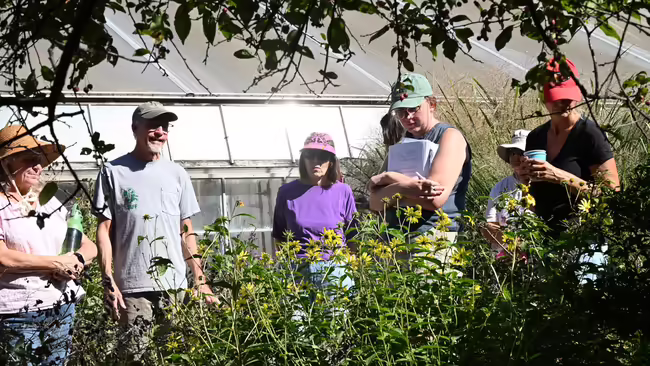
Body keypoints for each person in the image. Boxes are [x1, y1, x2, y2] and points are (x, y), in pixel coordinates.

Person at [92, 102, 217, 361]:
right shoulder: (112, 172)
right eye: (153, 126)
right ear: (135, 128)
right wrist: (108, 280)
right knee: (135, 357)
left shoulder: (177, 173)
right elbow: (103, 231)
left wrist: (201, 281)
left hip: (175, 288)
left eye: (165, 127)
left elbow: (187, 231)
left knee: (175, 357)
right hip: (132, 288)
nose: (160, 132)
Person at [0, 125, 97, 366]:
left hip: (61, 306)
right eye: (29, 159)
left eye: (40, 160)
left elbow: (88, 244)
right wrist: (55, 263)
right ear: (8, 162)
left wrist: (78, 260)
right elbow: (3, 257)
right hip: (19, 313)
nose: (38, 166)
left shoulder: (46, 201)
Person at [369, 72, 472, 243]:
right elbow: (375, 203)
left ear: (432, 104)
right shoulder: (401, 144)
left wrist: (391, 180)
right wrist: (407, 188)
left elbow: (433, 199)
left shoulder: (449, 137)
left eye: (413, 108)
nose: (407, 117)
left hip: (435, 238)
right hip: (395, 240)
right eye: (401, 112)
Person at [521, 58, 620, 234]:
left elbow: (611, 196)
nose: (563, 103)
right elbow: (531, 193)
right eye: (557, 98)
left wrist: (559, 176)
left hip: (581, 238)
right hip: (542, 238)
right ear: (544, 99)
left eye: (568, 97)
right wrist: (524, 180)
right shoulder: (536, 137)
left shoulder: (590, 135)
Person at [272, 132, 357, 290]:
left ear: (331, 162)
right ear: (303, 159)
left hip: (335, 271)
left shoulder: (343, 191)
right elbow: (279, 235)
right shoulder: (286, 192)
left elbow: (352, 233)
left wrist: (349, 264)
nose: (316, 162)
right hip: (298, 272)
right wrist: (287, 267)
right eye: (310, 156)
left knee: (336, 315)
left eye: (322, 157)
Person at [482, 130, 530, 257]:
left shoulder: (544, 185)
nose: (518, 158)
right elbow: (489, 226)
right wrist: (513, 245)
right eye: (513, 153)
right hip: (504, 256)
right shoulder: (500, 187)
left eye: (522, 153)